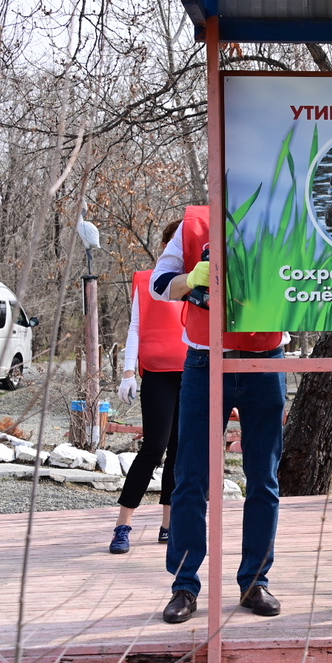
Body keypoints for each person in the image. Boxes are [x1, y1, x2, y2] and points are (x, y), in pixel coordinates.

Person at [150, 205, 288, 624]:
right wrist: (191, 280)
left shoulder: (281, 213)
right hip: (205, 360)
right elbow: (159, 285)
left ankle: (255, 582)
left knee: (263, 477)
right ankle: (184, 586)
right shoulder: (193, 224)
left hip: (265, 359)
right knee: (190, 476)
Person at [109, 220, 184, 554]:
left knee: (179, 451)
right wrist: (128, 372)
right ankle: (122, 525)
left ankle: (168, 526)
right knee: (154, 447)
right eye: (175, 242)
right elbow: (135, 327)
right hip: (157, 373)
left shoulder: (201, 280)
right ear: (166, 246)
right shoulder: (148, 280)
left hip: (194, 372)